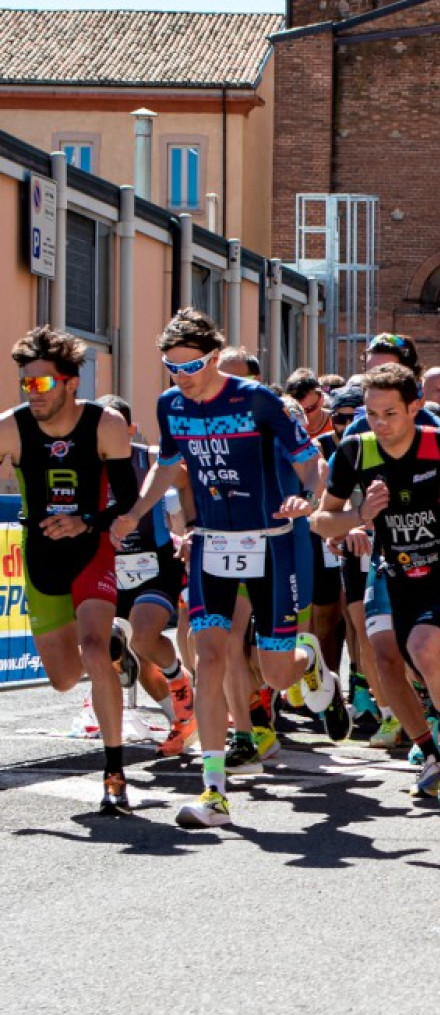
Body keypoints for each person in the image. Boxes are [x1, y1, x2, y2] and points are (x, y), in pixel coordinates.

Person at [113, 309, 336, 829]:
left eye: (190, 367)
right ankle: (214, 792)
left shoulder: (257, 401)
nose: (180, 379)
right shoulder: (170, 405)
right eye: (171, 367)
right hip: (214, 542)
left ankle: (310, 658)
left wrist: (307, 498)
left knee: (277, 673)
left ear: (213, 358)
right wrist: (134, 514)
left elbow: (310, 461)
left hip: (272, 541)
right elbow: (169, 465)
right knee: (210, 656)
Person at [313, 364, 440, 820]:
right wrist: (359, 516)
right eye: (371, 414)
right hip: (398, 573)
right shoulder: (353, 452)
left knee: (426, 649)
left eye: (390, 412)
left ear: (414, 408)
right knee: (422, 667)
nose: (380, 423)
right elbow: (320, 519)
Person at [2, 327, 138, 813]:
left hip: (92, 549)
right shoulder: (10, 428)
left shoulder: (106, 425)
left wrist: (85, 522)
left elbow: (128, 501)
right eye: (25, 384)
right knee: (62, 678)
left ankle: (115, 774)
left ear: (69, 382)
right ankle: (117, 645)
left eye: (40, 384)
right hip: (40, 556)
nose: (31, 394)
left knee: (95, 651)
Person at [97, 394, 197, 758]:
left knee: (142, 635)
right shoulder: (84, 463)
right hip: (108, 568)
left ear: (130, 430)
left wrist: (190, 529)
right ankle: (182, 719)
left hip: (154, 563)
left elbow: (187, 482)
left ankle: (181, 687)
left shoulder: (150, 458)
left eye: (116, 429)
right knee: (124, 655)